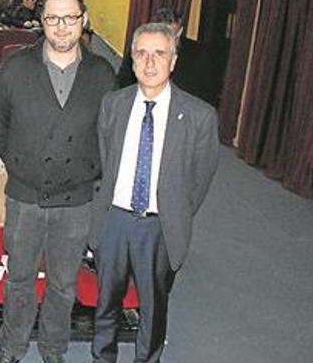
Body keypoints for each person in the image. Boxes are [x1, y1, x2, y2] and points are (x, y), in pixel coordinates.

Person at [0, 0, 117, 363]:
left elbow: (108, 134)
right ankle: (11, 349)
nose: (61, 27)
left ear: (84, 20)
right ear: (41, 22)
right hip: (25, 196)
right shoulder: (15, 67)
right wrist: (17, 165)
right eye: (53, 18)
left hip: (76, 199)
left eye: (70, 18)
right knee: (19, 281)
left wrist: (90, 170)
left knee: (63, 284)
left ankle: (53, 349)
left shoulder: (102, 73)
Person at [90, 23, 219, 363]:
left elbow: (199, 179)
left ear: (174, 60)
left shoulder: (199, 116)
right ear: (131, 60)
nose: (149, 63)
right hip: (114, 221)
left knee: (153, 307)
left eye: (159, 53)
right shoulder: (113, 105)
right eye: (141, 53)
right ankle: (102, 358)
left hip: (159, 227)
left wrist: (171, 212)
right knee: (106, 304)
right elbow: (105, 159)